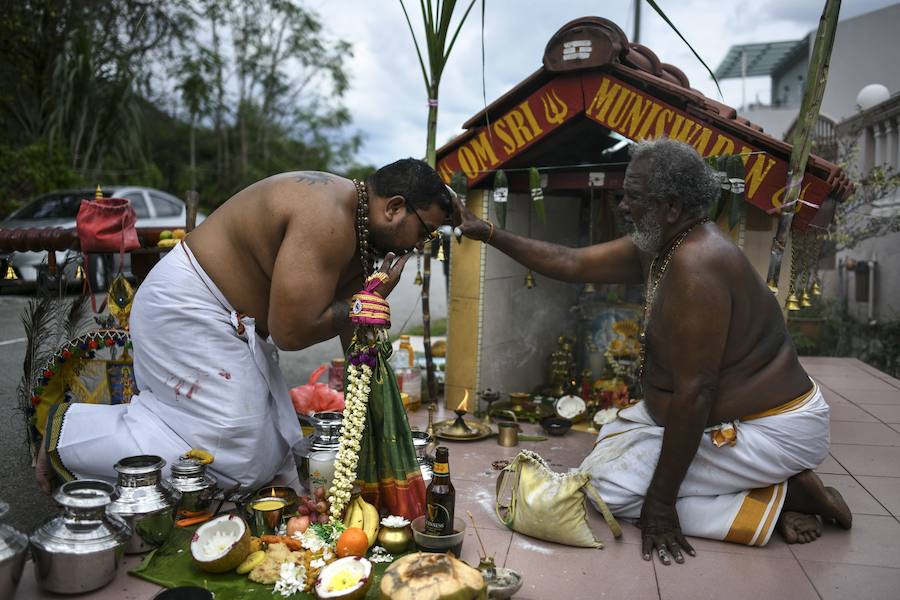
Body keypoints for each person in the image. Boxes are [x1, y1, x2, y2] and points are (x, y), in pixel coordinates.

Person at [452, 138, 851, 565]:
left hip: (771, 428)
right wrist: (487, 231)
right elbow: (571, 263)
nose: (622, 205)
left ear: (672, 206)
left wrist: (660, 507)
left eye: (633, 196)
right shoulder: (664, 243)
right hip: (711, 412)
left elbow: (695, 393)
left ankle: (783, 500)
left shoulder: (699, 266)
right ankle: (765, 490)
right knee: (604, 450)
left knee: (611, 492)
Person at [37, 158, 452, 494]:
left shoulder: (362, 228)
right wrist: (364, 305)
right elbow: (290, 332)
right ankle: (70, 435)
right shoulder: (328, 217)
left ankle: (144, 431)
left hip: (230, 320)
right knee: (241, 454)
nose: (420, 246)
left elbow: (350, 327)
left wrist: (374, 405)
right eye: (425, 232)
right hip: (187, 305)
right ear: (394, 207)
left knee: (278, 443)